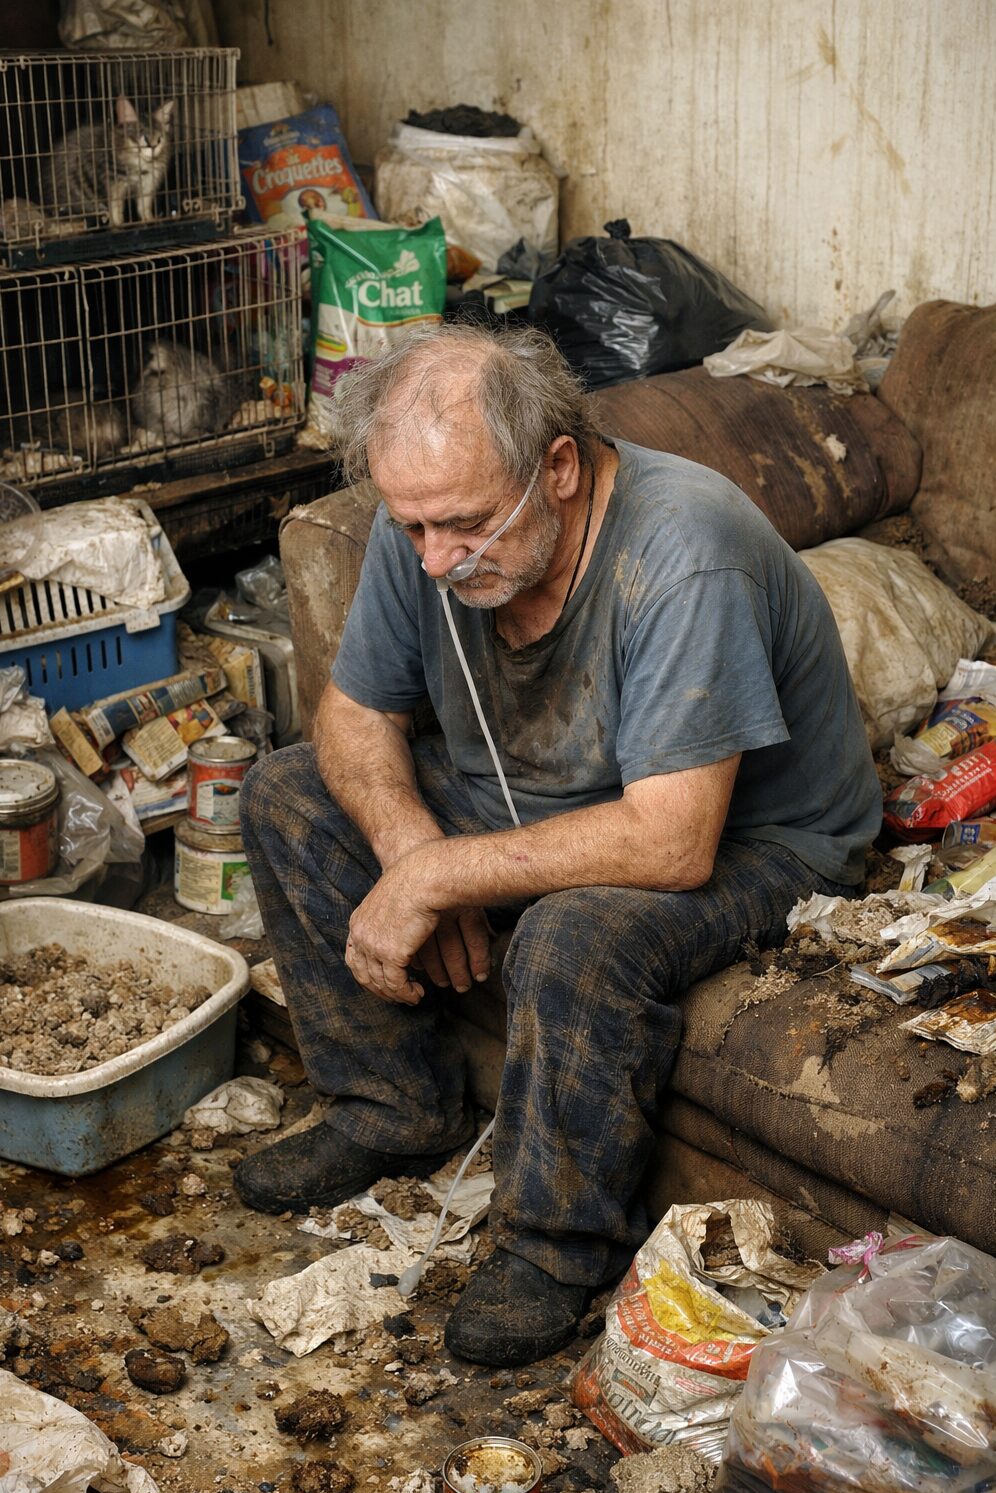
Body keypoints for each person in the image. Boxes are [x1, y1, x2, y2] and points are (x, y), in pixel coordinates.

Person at [235, 322, 881, 1367]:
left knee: (577, 936)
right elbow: (351, 717)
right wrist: (412, 854)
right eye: (412, 529)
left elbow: (670, 841)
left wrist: (443, 872)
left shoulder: (684, 552)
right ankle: (388, 1105)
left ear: (562, 468)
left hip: (758, 836)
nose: (436, 560)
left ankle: (552, 1245)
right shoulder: (434, 538)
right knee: (285, 792)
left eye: (465, 527)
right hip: (540, 793)